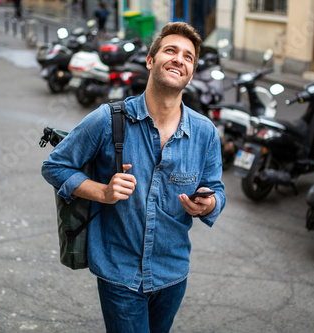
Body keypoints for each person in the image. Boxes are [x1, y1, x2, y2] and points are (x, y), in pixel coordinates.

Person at [41, 22, 226, 332]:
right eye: (170, 50)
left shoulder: (205, 133)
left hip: (172, 273)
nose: (179, 59)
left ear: (191, 72)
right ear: (150, 60)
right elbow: (55, 166)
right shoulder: (108, 119)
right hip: (119, 273)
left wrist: (208, 205)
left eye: (188, 56)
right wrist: (103, 192)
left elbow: (217, 190)